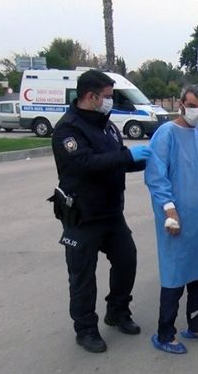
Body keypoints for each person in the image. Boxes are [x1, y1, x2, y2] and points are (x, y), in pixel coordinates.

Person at [50, 69, 151, 353]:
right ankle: (85, 329)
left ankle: (117, 311)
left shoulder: (107, 125)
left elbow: (117, 159)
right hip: (82, 215)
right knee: (83, 276)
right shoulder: (68, 129)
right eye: (107, 96)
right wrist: (126, 156)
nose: (110, 101)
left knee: (127, 260)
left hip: (111, 213)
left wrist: (144, 159)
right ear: (91, 96)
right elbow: (85, 164)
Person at [144, 85, 198, 355]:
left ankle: (196, 325)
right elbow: (156, 175)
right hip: (175, 220)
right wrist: (169, 209)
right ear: (181, 104)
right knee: (175, 276)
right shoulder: (166, 134)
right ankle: (165, 334)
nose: (197, 112)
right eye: (193, 105)